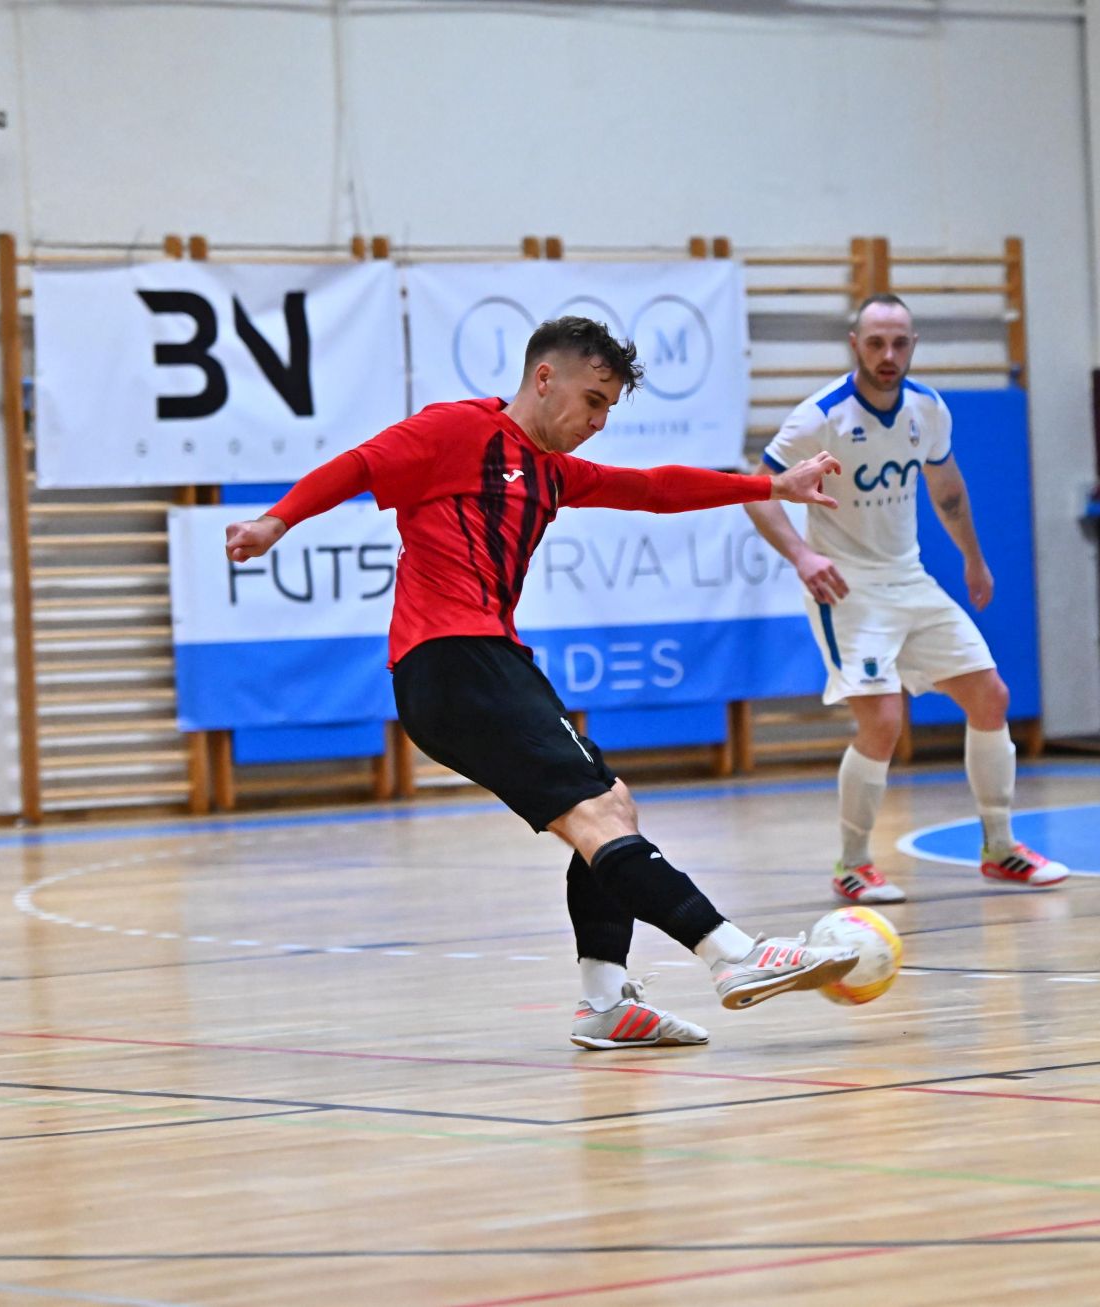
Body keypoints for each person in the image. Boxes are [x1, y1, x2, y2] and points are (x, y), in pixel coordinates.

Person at [225, 316, 859, 1049]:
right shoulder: (456, 430)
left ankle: (607, 1002)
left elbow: (653, 488)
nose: (598, 422)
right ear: (545, 377)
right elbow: (360, 465)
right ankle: (732, 952)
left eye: (608, 408)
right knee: (597, 814)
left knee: (610, 806)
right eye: (593, 401)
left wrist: (772, 484)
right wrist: (276, 522)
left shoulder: (551, 471)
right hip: (456, 660)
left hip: (477, 665)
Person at [743, 294, 1067, 906]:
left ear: (913, 345)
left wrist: (973, 557)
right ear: (855, 345)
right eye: (875, 343)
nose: (887, 354)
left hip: (910, 579)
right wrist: (803, 557)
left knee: (991, 696)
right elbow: (757, 489)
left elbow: (946, 488)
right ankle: (852, 863)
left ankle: (1001, 848)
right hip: (848, 588)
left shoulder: (927, 408)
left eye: (898, 343)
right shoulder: (822, 416)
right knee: (883, 721)